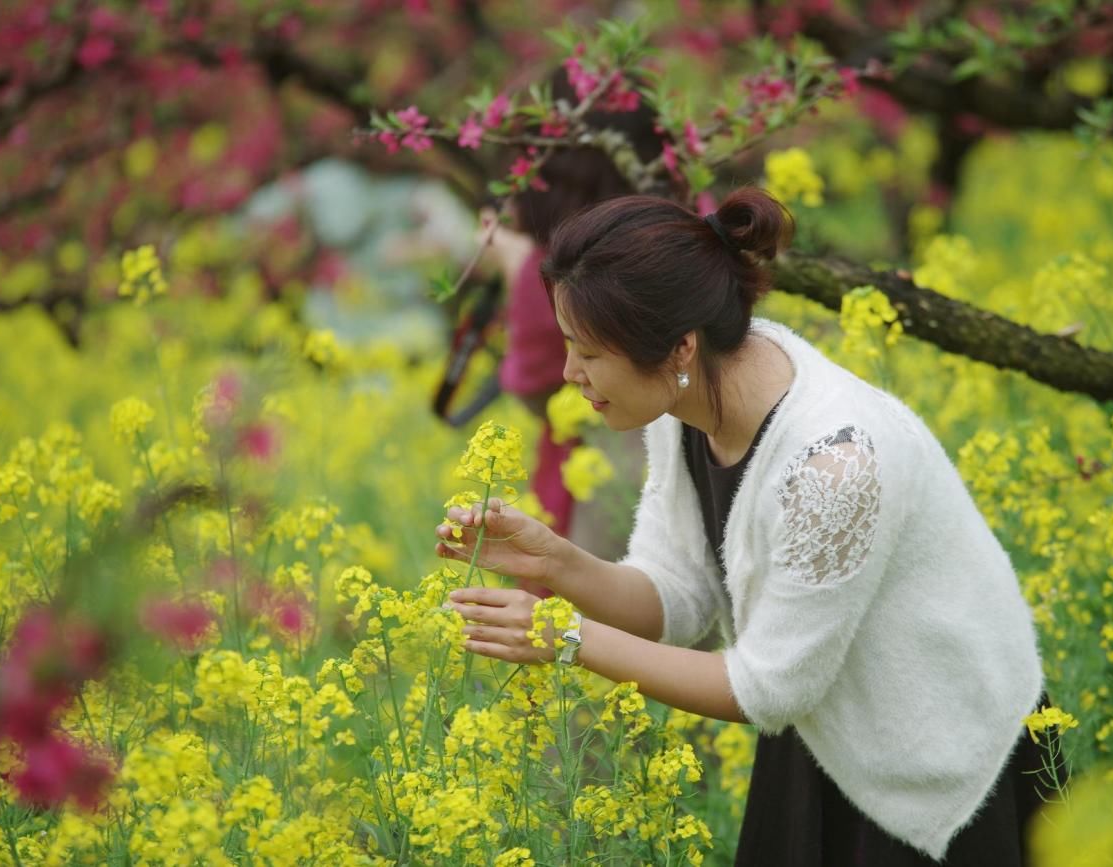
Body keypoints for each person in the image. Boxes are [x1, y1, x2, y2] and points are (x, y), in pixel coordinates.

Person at [435, 185, 1061, 865]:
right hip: (824, 726)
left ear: (678, 347)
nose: (568, 373)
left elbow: (768, 688)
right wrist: (557, 563)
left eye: (588, 351)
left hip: (936, 754)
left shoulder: (835, 464)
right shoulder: (692, 404)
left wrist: (567, 637)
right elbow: (678, 598)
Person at [476, 67, 671, 584]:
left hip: (601, 480)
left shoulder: (567, 270)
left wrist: (522, 275)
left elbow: (546, 389)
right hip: (656, 473)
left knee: (585, 633)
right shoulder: (677, 237)